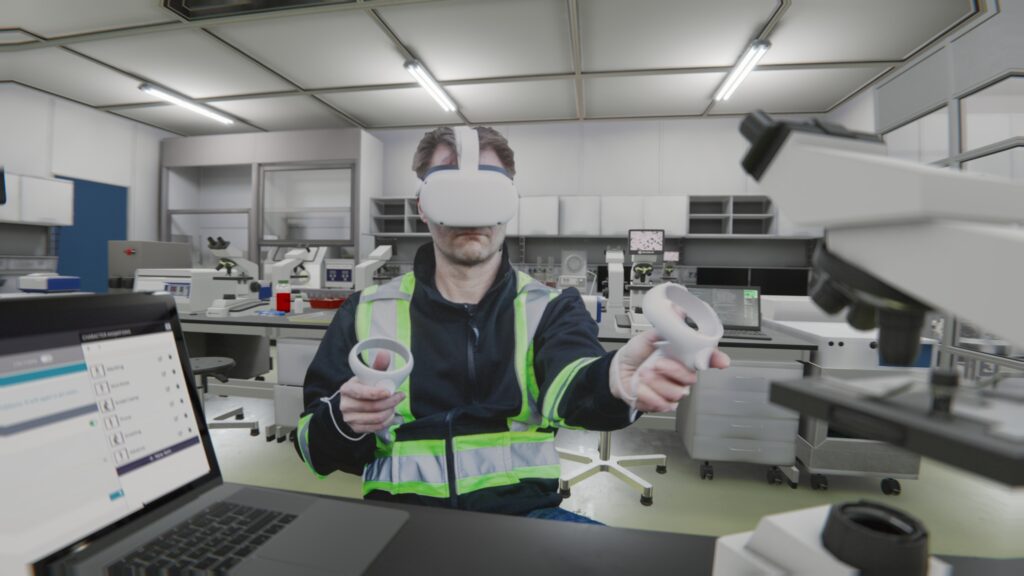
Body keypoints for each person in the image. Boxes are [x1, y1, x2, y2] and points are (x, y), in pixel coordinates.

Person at [295, 126, 729, 523]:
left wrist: (614, 380)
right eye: (451, 190)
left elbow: (571, 384)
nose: (470, 210)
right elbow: (312, 447)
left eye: (487, 191)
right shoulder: (366, 309)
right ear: (423, 207)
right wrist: (343, 418)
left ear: (510, 204)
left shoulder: (551, 306)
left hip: (525, 520)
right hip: (400, 521)